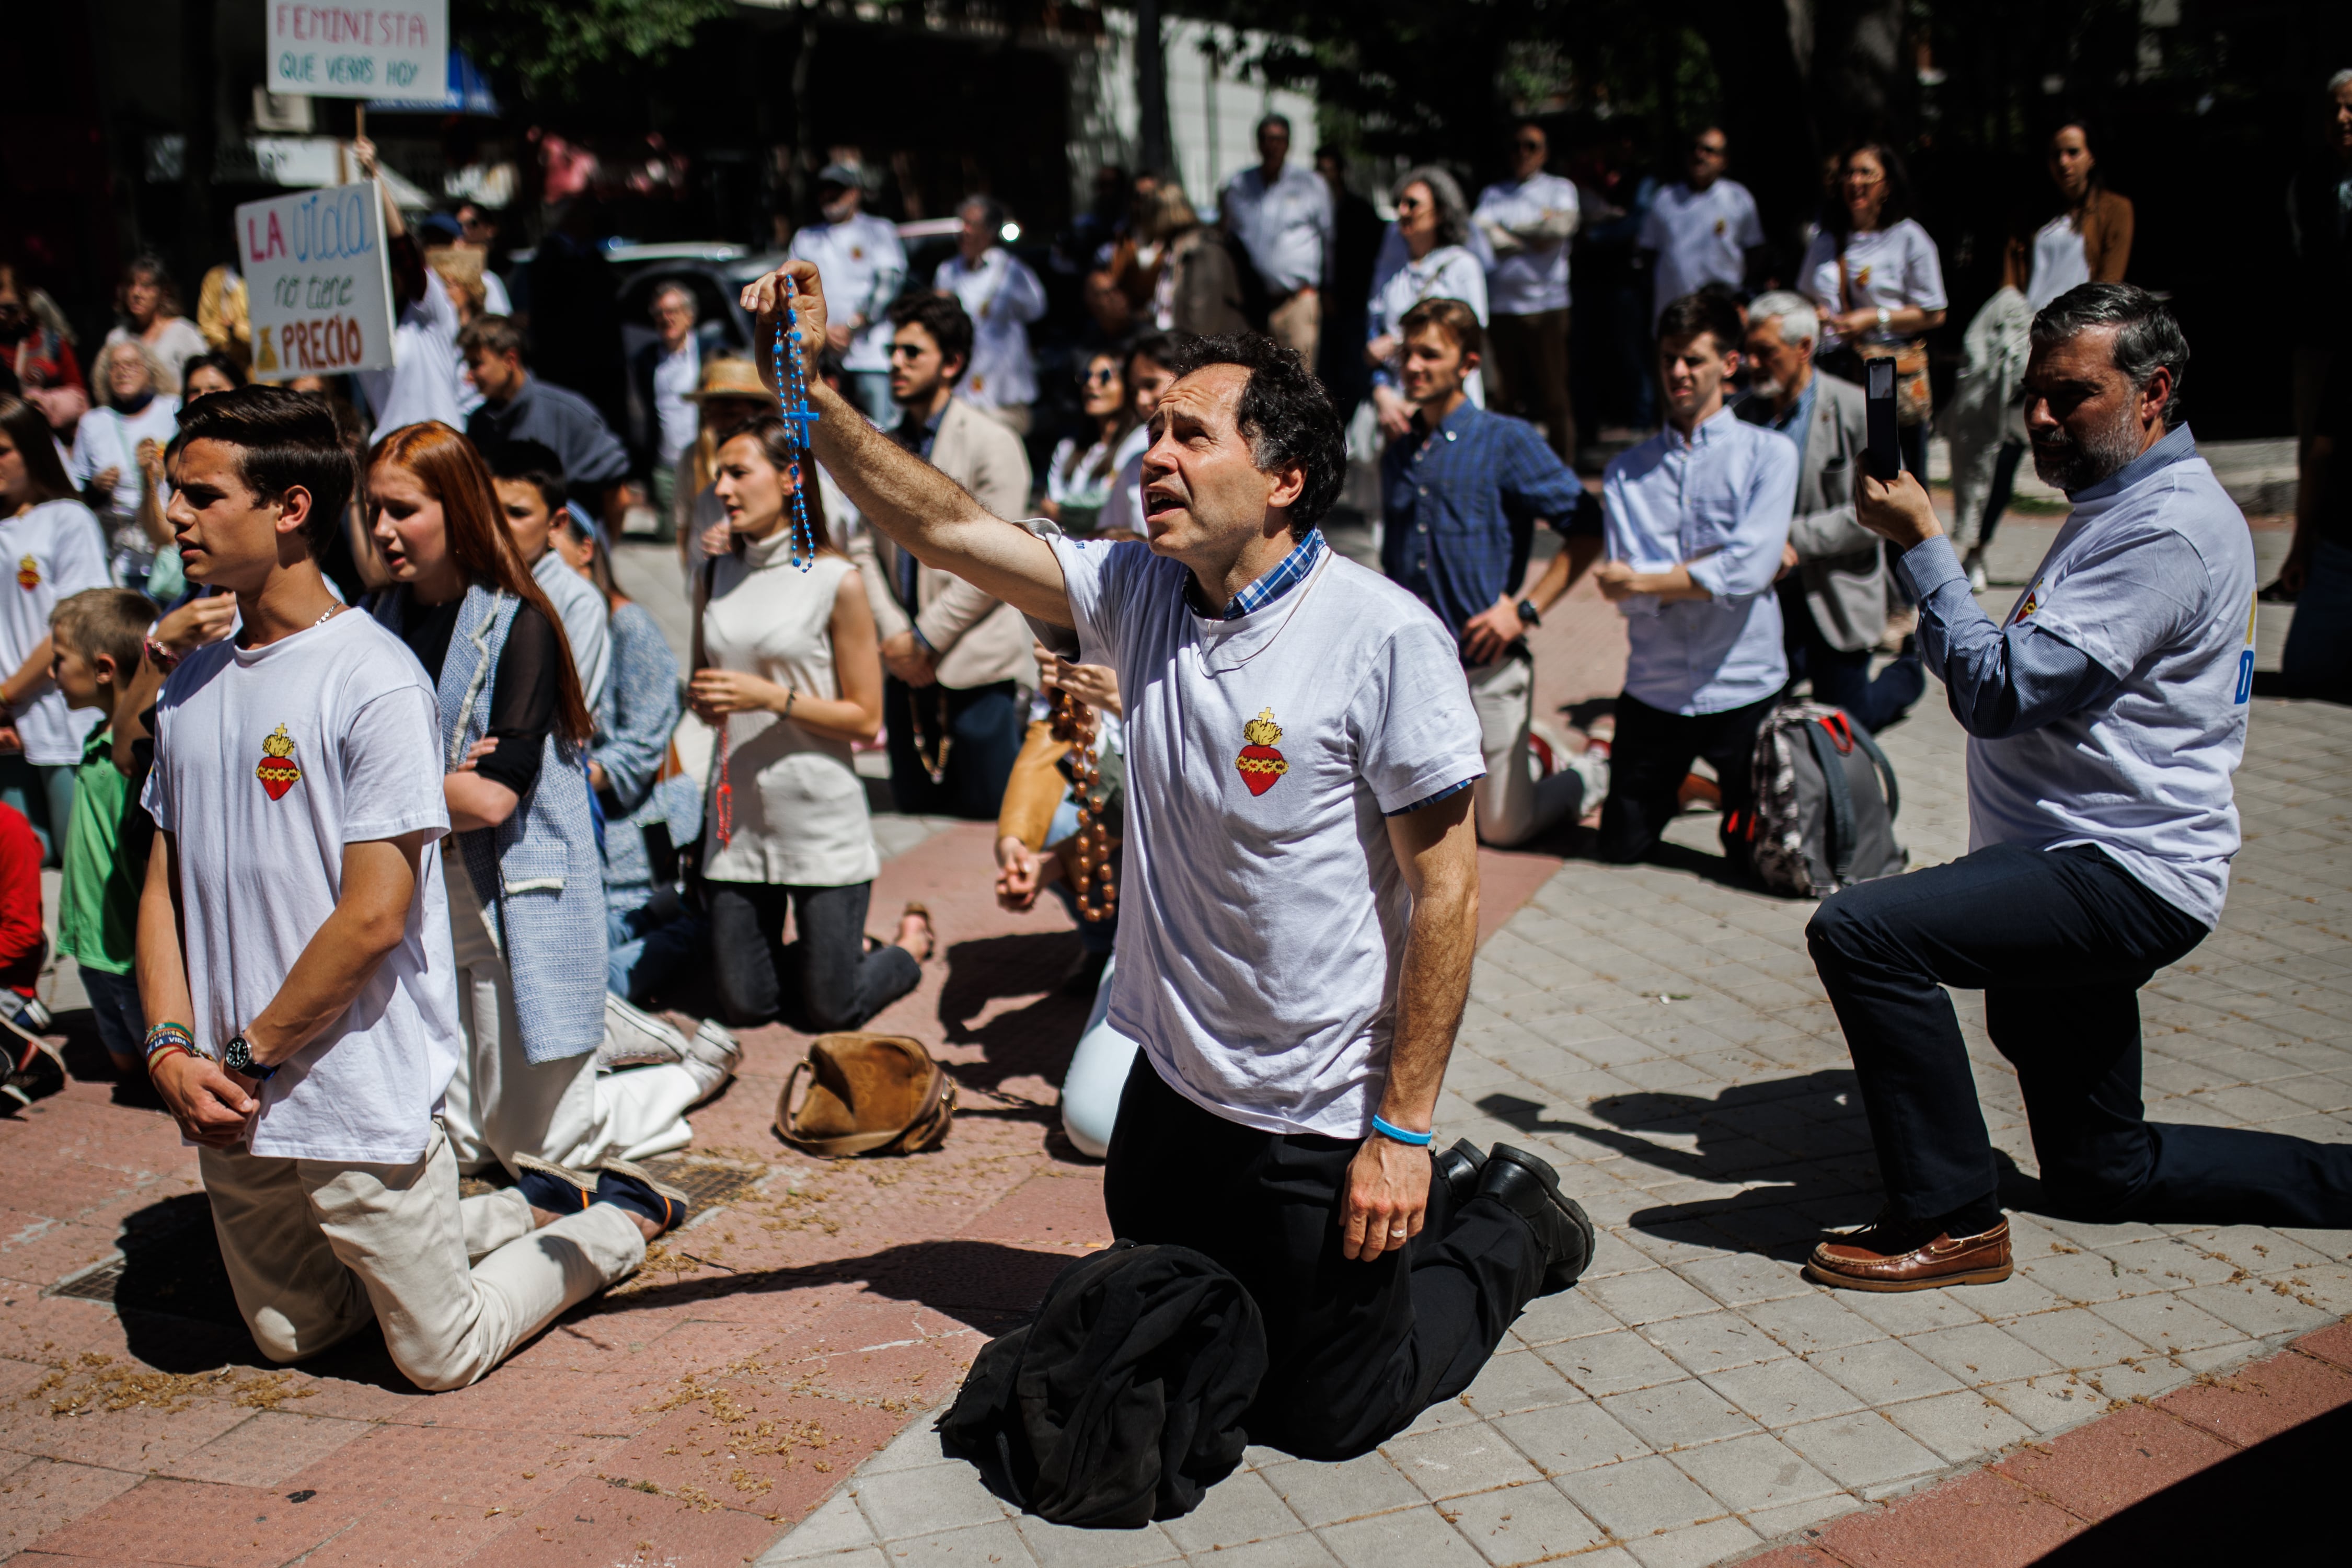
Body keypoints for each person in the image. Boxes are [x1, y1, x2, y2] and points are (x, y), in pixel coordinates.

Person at [739, 258, 1598, 1459]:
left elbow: (1444, 892)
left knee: (1328, 1412)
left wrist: (1399, 1133)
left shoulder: (1381, 638)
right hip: (1176, 1099)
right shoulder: (1135, 588)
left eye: (1188, 435)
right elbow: (937, 524)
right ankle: (1401, 1217)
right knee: (1199, 1336)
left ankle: (1502, 1212)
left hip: (1318, 1112)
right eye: (1150, 430)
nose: (1152, 455)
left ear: (1283, 475)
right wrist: (807, 387)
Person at [1805, 284, 2352, 1292]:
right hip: (2073, 858)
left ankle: (1957, 1220)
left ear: (2155, 394)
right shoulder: (2121, 504)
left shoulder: (2168, 528)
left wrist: (1926, 548)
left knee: (1862, 931)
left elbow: (2000, 689)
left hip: (2117, 870)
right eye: (2034, 396)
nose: (2043, 419)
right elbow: (1999, 669)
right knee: (2105, 1172)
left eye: (2072, 395)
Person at [137, 385, 683, 1392]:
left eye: (201, 495)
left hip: (345, 1087)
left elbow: (376, 913)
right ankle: (516, 1209)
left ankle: (611, 1223)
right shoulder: (189, 681)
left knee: (438, 1355)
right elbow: (164, 882)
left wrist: (252, 1052)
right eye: (174, 493)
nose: (175, 515)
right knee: (292, 1337)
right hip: (228, 1096)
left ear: (289, 509)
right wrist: (171, 1049)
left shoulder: (373, 677)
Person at [366, 422, 730, 1177]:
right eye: (374, 510)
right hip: (427, 896)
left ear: (458, 506)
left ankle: (674, 1079)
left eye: (402, 510)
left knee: (537, 1147)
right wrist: (436, 786)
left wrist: (379, 790)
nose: (381, 530)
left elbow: (494, 800)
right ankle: (612, 1060)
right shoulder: (377, 620)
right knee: (465, 1142)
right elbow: (442, 787)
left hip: (515, 899)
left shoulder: (520, 620)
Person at [692, 413, 933, 1029]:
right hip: (737, 820)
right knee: (748, 1006)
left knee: (832, 1010)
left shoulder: (836, 580)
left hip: (819, 819)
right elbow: (705, 680)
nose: (722, 489)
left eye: (739, 473)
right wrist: (703, 700)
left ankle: (906, 949)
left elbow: (866, 717)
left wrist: (770, 697)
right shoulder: (713, 573)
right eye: (719, 475)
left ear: (791, 477)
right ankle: (824, 954)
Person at [1381, 298, 1609, 847]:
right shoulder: (1398, 453)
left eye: (1430, 354)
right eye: (1406, 354)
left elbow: (1588, 526)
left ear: (1468, 364)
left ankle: (1594, 767)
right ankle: (1533, 749)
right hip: (1419, 674)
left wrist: (1524, 611)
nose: (1413, 366)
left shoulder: (1507, 440)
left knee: (1504, 829)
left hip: (1491, 666)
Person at [1593, 290, 1797, 869]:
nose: (1678, 373)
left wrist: (1648, 580)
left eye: (1694, 360)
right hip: (1656, 687)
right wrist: (1718, 569)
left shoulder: (1769, 455)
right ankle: (1684, 786)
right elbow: (1635, 596)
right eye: (1668, 360)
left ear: (1729, 365)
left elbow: (1746, 569)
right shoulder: (1625, 473)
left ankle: (1703, 788)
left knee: (1757, 861)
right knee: (1619, 849)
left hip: (1745, 683)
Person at [851, 292, 1034, 820]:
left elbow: (1001, 557)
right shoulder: (882, 445)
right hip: (904, 666)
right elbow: (864, 542)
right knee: (913, 812)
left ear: (951, 363)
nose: (895, 364)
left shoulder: (992, 441)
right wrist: (894, 635)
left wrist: (927, 636)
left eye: (912, 353)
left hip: (974, 667)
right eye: (893, 351)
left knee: (985, 826)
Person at [1952, 123, 2138, 591]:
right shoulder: (2029, 216)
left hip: (2082, 348)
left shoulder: (2116, 211)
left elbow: (2110, 285)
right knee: (2003, 450)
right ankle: (1975, 547)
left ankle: (2107, 554)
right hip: (2028, 349)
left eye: (2074, 152)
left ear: (2092, 156)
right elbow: (2010, 287)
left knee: (2093, 451)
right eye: (2057, 154)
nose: (2064, 163)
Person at [1737, 291, 1922, 733]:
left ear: (1804, 349)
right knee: (1757, 723)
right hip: (1769, 599)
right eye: (1749, 352)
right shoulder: (1740, 415)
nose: (1753, 364)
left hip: (1837, 595)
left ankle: (1909, 672)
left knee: (1849, 723)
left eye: (1766, 352)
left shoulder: (1855, 408)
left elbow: (1880, 512)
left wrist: (1790, 540)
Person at [547, 507, 704, 1004]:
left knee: (598, 974)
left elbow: (644, 742)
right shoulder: (543, 626)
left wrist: (562, 775)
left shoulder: (628, 626)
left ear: (586, 550)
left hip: (642, 839)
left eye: (549, 556)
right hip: (587, 844)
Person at [49, 587, 159, 1077]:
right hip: (92, 944)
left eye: (59, 660)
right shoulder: (97, 740)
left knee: (153, 1067)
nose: (51, 673)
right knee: (121, 1059)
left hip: (127, 951)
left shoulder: (130, 762)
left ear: (104, 669)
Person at [0, 396, 112, 861]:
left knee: (74, 868)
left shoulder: (68, 519)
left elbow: (75, 623)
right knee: (23, 874)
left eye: (2, 451)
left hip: (61, 721)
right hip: (8, 733)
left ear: (32, 450)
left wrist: (7, 698)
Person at [1801, 143, 1949, 484]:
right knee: (1842, 468)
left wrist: (1872, 319)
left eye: (1866, 173)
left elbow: (1934, 313)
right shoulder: (1826, 239)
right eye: (1850, 173)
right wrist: (1818, 313)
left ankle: (1909, 539)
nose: (1856, 181)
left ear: (1888, 184)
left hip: (1885, 369)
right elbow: (1804, 296)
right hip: (1832, 366)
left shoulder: (1909, 238)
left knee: (1896, 473)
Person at [1476, 122, 1583, 466]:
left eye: (1531, 146)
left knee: (1555, 396)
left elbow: (1561, 228)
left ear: (1545, 152)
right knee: (1505, 397)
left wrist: (1510, 234)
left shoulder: (1559, 189)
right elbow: (1482, 235)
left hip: (1548, 306)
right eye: (1516, 146)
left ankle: (1563, 468)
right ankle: (1508, 469)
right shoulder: (1494, 194)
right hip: (1504, 307)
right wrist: (1532, 239)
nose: (1523, 152)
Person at [352, 139, 467, 441]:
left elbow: (403, 249)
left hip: (439, 448)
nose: (385, 276)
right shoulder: (359, 327)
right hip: (391, 456)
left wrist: (374, 175)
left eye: (390, 268)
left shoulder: (428, 314)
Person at [485, 440, 612, 707]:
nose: (501, 526)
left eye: (517, 514)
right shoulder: (477, 584)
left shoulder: (578, 602)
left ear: (556, 524)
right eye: (492, 511)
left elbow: (568, 706)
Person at [1367, 169, 1490, 439]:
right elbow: (1373, 338)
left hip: (1448, 408)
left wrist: (1417, 400)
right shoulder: (1391, 270)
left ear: (1441, 212)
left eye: (1412, 204)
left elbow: (1470, 337)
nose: (1402, 211)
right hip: (1395, 412)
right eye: (1399, 202)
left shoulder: (1462, 266)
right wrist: (1382, 393)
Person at [789, 164, 908, 427]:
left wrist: (855, 324)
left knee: (882, 434)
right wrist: (821, 329)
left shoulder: (879, 230)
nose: (829, 196)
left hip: (870, 353)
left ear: (855, 193)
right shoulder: (806, 238)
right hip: (822, 354)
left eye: (837, 190)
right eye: (824, 190)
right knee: (827, 431)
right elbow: (792, 289)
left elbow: (888, 282)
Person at [1220, 113, 1334, 364]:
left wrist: (1328, 287)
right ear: (1257, 143)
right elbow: (1228, 236)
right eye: (1267, 139)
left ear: (1288, 144)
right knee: (1256, 380)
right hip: (1252, 305)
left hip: (1297, 300)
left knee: (1298, 381)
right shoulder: (1240, 185)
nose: (1272, 146)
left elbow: (1328, 241)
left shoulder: (1311, 185)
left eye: (1279, 139)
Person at [933, 196, 1049, 435]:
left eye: (973, 225)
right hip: (963, 390)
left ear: (990, 231)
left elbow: (1037, 309)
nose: (965, 231)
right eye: (962, 224)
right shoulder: (946, 271)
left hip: (1004, 392)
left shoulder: (1010, 269)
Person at [69, 339, 179, 583]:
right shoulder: (93, 422)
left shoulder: (172, 409)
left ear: (149, 370)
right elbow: (77, 493)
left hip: (169, 547)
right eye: (115, 366)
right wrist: (96, 488)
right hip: (120, 558)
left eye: (131, 364)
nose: (122, 371)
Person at [2287, 70, 2352, 477]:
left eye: (2351, 108)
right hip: (2322, 335)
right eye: (2335, 110)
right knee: (2317, 446)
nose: (2343, 118)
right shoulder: (2308, 182)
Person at [1636, 129, 1766, 328]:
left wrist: (1742, 295)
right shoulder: (1665, 198)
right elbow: (1648, 252)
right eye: (1694, 149)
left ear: (1724, 161)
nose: (1700, 155)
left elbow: (1755, 251)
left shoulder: (1738, 198)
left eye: (1709, 150)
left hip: (1722, 310)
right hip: (1673, 308)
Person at [2278, 353, 2352, 689]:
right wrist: (2300, 547)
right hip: (2338, 549)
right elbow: (2320, 456)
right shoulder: (2346, 368)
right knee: (2303, 674)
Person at [627, 282, 724, 533]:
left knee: (710, 527)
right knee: (670, 535)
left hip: (705, 459)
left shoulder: (709, 351)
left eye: (673, 311)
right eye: (659, 313)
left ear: (690, 316)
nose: (666, 318)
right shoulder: (646, 360)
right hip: (666, 463)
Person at [670, 356, 776, 558]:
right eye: (712, 414)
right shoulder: (693, 461)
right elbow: (685, 530)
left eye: (731, 414)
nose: (719, 425)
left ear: (765, 413)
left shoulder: (787, 462)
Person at [1317, 148, 1387, 419]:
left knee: (1352, 372)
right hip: (1325, 302)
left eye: (1329, 170)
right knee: (1326, 373)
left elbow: (1370, 257)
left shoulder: (1359, 210)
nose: (1324, 176)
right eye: (1320, 170)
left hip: (1354, 303)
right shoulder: (1316, 208)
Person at [1134, 183, 1249, 340]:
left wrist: (1185, 355)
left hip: (1211, 351)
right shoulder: (1175, 250)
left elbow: (1202, 319)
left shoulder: (1202, 250)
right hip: (1180, 348)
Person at [1041, 351, 1137, 535]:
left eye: (1105, 376)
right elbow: (1050, 505)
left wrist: (1061, 511)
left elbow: (1106, 505)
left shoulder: (1137, 441)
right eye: (1085, 377)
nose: (1091, 384)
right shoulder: (1067, 448)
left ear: (1127, 386)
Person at [1094, 333, 1179, 539]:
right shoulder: (1135, 467)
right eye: (1134, 392)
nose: (1141, 400)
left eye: (1150, 385)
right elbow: (1108, 539)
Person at [0, 265, 87, 440]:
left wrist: (47, 403)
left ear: (24, 304)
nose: (2, 316)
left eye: (9, 309)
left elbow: (80, 399)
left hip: (52, 444)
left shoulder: (53, 343)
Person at [105, 256, 207, 390]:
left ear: (163, 293)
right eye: (131, 285)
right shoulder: (117, 338)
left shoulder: (184, 333)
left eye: (146, 286)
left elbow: (202, 379)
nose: (136, 293)